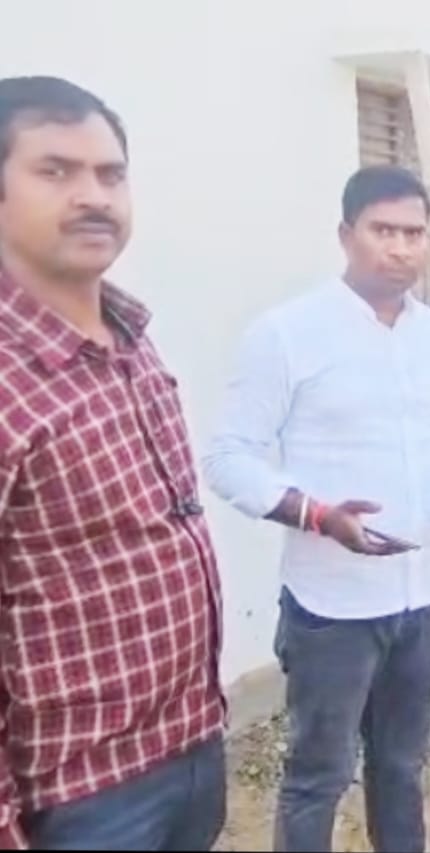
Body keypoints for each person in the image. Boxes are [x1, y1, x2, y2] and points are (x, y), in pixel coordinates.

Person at [202, 165, 430, 853]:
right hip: (332, 605)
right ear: (345, 235)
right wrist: (317, 515)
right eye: (382, 230)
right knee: (319, 775)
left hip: (424, 594)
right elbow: (228, 458)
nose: (400, 248)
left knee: (402, 768)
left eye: (414, 233)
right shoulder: (287, 334)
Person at [0, 76, 226, 849]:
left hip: (190, 743)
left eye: (110, 174)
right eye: (55, 171)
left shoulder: (128, 335)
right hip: (79, 796)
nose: (93, 196)